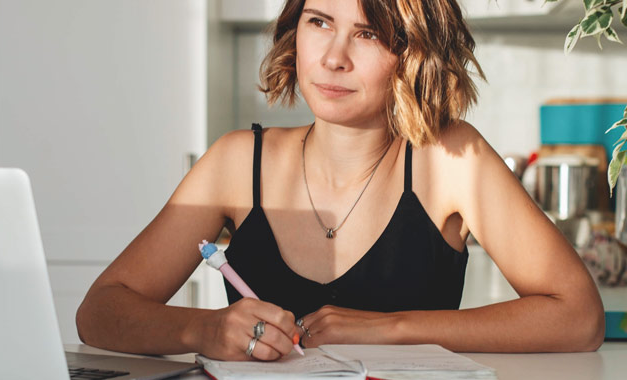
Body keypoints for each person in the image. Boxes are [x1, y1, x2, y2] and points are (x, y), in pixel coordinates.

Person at [76, 0, 605, 362]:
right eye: (319, 21)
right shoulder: (237, 162)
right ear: (295, 28)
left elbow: (579, 318)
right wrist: (206, 329)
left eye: (368, 33)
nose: (333, 58)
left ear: (413, 50)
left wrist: (392, 328)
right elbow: (99, 310)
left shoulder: (451, 158)